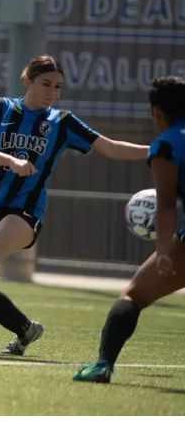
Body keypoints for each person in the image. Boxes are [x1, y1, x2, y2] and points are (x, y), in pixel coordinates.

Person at [0, 55, 148, 355]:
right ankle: (26, 329)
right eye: (46, 84)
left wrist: (157, 149)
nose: (52, 92)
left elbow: (109, 147)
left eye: (58, 87)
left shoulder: (62, 122)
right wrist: (10, 160)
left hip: (26, 211)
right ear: (26, 81)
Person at [74, 76, 185, 383]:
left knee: (132, 296)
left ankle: (102, 366)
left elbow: (165, 205)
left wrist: (163, 251)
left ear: (156, 112)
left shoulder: (166, 144)